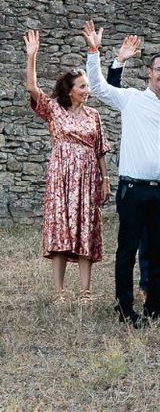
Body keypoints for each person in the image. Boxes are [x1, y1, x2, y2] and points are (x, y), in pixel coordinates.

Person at [82, 24, 160, 323]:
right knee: (128, 251)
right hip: (133, 189)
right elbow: (99, 87)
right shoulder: (131, 99)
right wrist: (96, 53)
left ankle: (154, 308)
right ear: (149, 73)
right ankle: (125, 309)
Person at [21, 29, 106, 303]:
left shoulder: (94, 115)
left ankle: (85, 290)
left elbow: (100, 148)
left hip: (88, 176)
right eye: (82, 86)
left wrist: (105, 179)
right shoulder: (54, 109)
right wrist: (32, 57)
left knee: (85, 226)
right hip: (62, 176)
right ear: (70, 90)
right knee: (60, 228)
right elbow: (33, 89)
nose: (87, 91)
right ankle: (59, 291)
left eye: (88, 86)